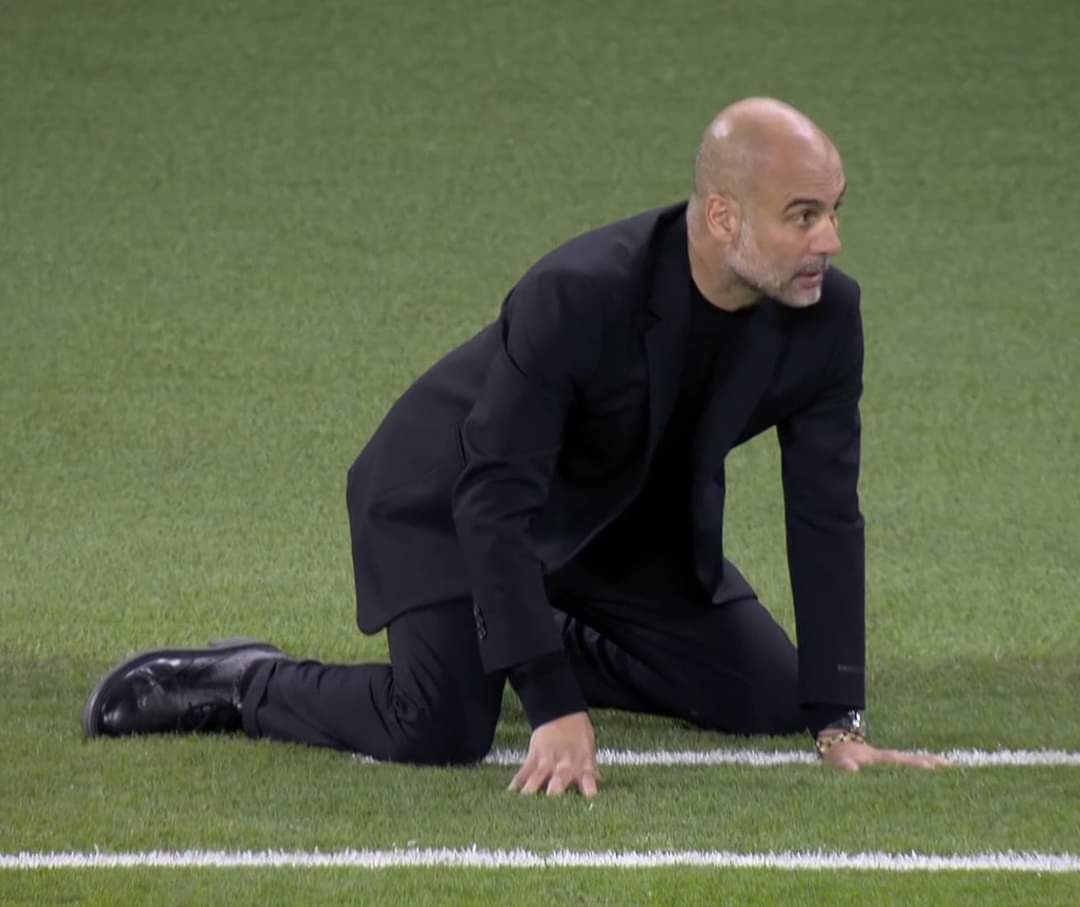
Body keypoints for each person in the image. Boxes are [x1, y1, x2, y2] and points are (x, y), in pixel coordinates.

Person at [83, 97, 948, 797]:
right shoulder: (581, 292)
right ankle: (244, 682)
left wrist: (840, 717)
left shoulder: (826, 316)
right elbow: (492, 493)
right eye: (803, 216)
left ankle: (519, 625)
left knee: (766, 697)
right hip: (449, 495)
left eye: (835, 211)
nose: (830, 240)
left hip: (613, 518)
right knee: (437, 727)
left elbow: (826, 512)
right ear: (723, 216)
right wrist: (549, 698)